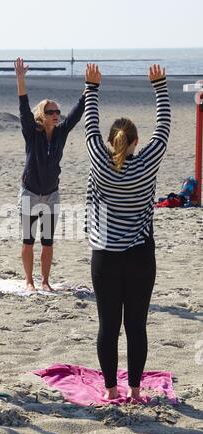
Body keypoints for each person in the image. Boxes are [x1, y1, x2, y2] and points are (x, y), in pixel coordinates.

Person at [84, 63, 171, 400]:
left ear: (110, 142)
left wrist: (92, 88)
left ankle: (110, 390)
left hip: (105, 257)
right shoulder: (147, 161)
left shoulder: (98, 158)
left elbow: (90, 129)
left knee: (108, 327)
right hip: (139, 255)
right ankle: (134, 391)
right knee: (136, 326)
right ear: (136, 141)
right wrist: (159, 86)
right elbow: (163, 129)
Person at [15, 58, 85, 292]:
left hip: (51, 195)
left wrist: (89, 89)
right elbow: (24, 109)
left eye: (57, 111)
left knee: (47, 242)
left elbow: (76, 114)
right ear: (42, 115)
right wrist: (20, 80)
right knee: (28, 241)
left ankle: (45, 281)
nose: (56, 114)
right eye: (50, 111)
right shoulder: (31, 133)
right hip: (30, 193)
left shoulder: (61, 133)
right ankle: (29, 281)